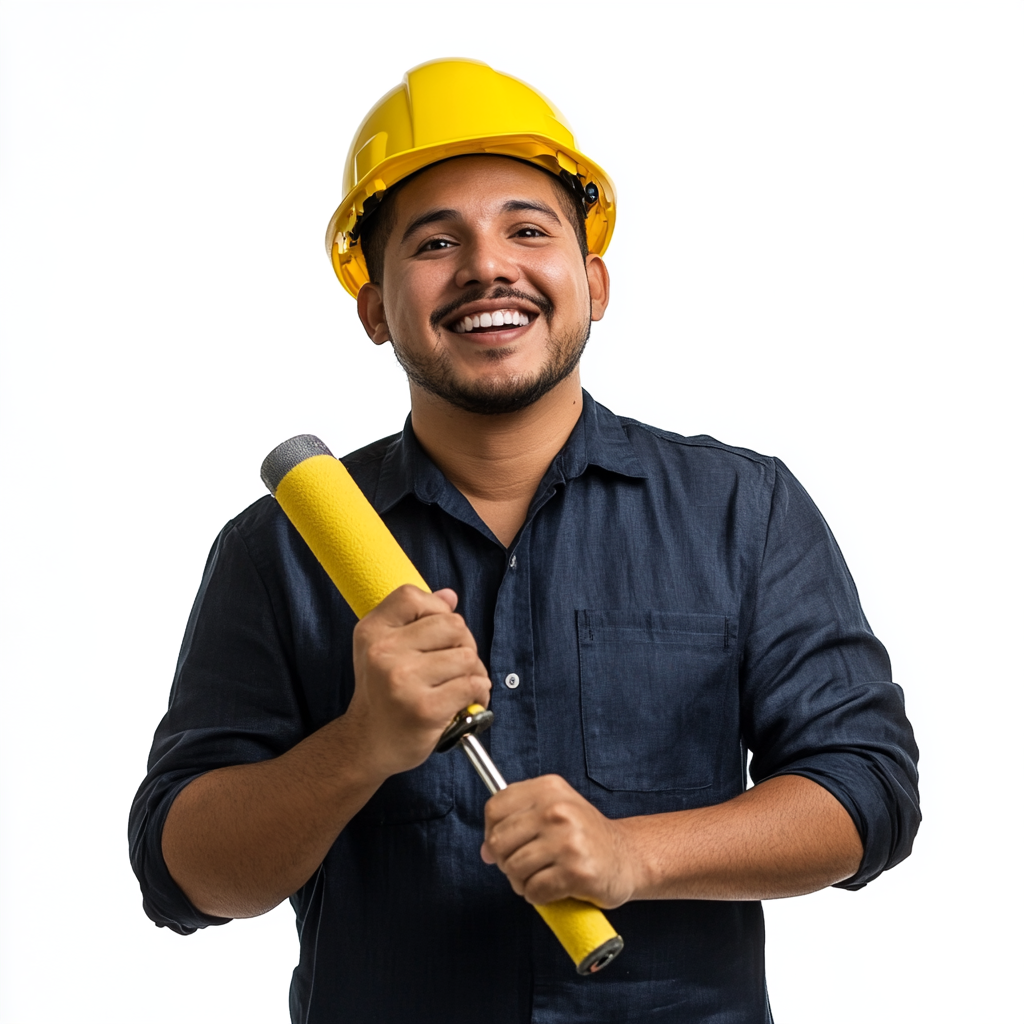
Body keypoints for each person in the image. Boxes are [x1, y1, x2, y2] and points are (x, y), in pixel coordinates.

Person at [129, 58, 920, 1023]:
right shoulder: (281, 549)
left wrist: (637, 855)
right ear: (375, 306)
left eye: (528, 229)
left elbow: (867, 793)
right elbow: (185, 877)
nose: (486, 265)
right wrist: (360, 745)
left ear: (592, 279)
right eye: (434, 242)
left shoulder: (741, 510)